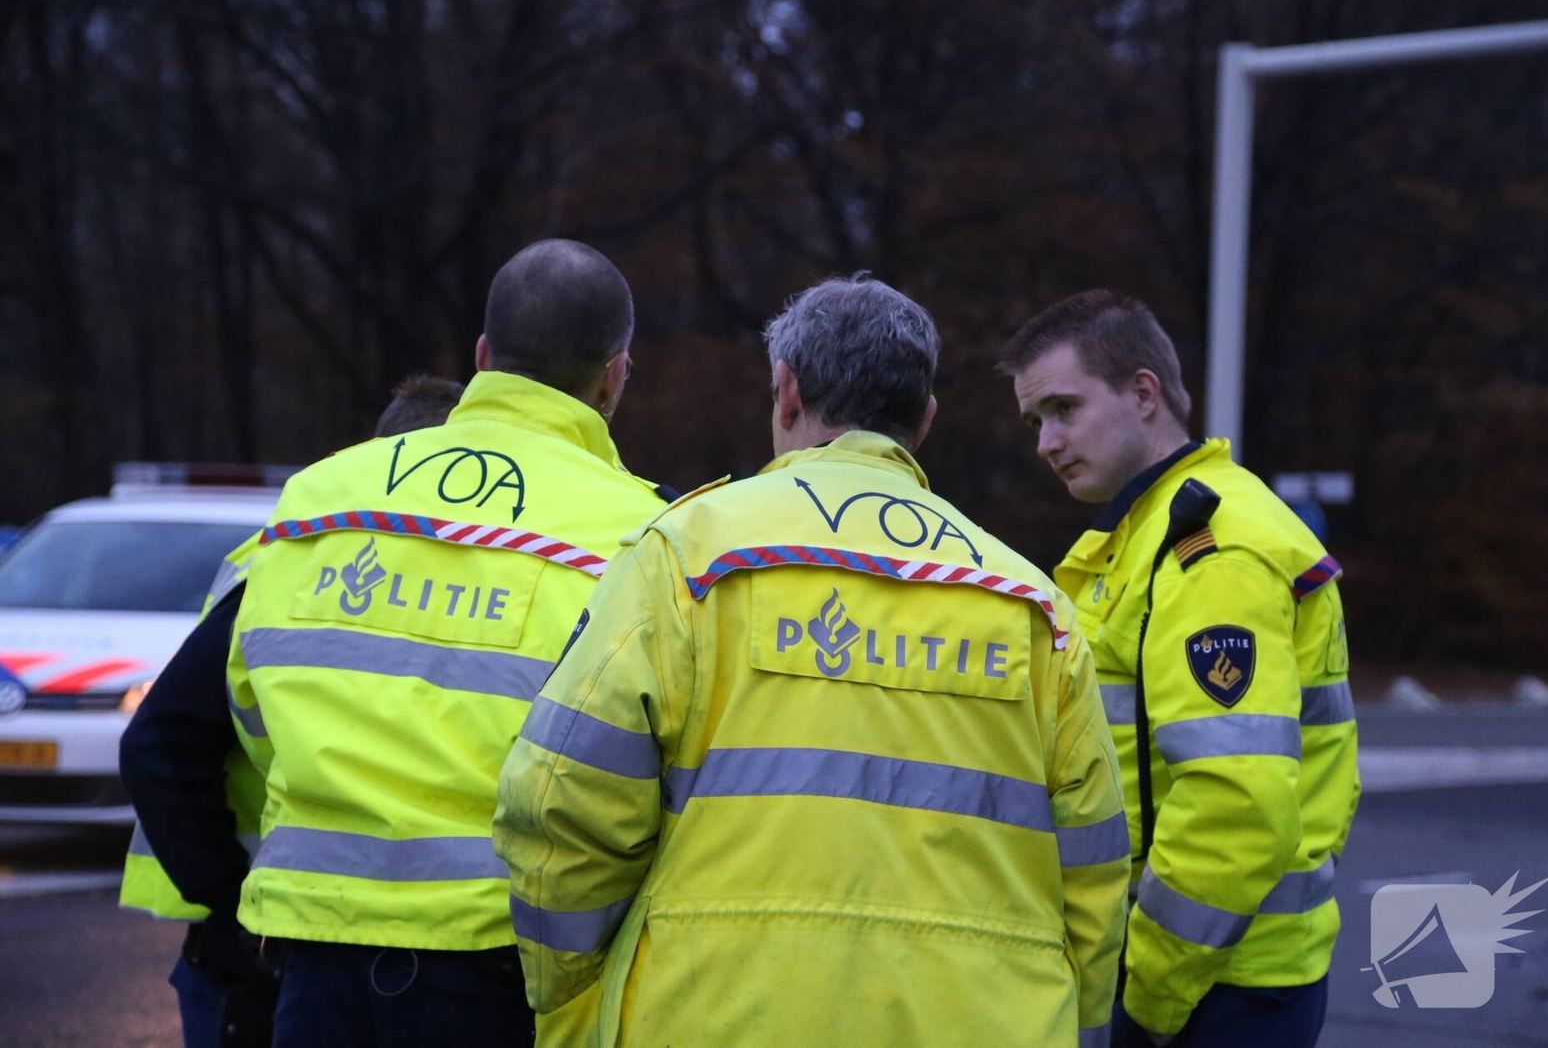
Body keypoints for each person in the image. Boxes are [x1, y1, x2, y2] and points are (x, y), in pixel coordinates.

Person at [493, 275, 1129, 1048]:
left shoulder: (688, 556)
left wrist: (570, 999)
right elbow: (1093, 874)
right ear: (921, 423)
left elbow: (562, 800)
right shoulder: (1032, 606)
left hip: (712, 1011)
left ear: (786, 393)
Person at [123, 240, 671, 1048]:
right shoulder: (642, 532)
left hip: (310, 961)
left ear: (484, 356)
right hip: (502, 969)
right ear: (615, 373)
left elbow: (227, 710)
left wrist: (237, 901)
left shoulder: (319, 499)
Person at [999, 290, 1359, 1048]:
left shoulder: (1210, 549)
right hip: (1208, 965)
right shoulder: (1149, 536)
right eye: (1036, 421)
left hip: (1212, 981)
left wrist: (1148, 1000)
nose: (1046, 442)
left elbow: (1235, 801)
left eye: (1064, 408)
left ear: (1143, 392)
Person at [121, 376, 468, 1048]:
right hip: (268, 943)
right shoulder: (289, 566)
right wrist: (232, 906)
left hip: (301, 933)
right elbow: (159, 744)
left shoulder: (307, 559)